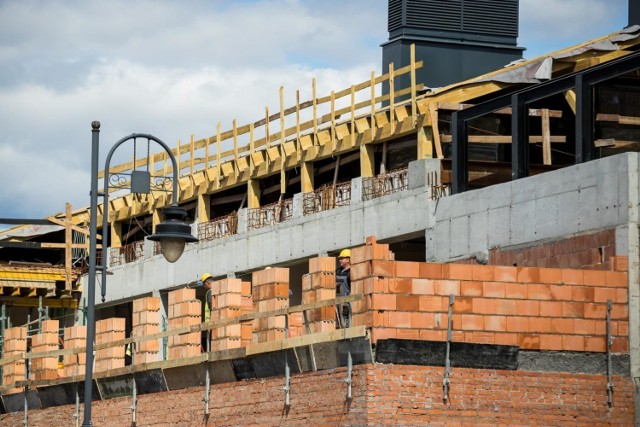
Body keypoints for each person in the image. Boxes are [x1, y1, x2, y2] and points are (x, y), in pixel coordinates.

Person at [336, 249, 351, 328]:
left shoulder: (351, 273)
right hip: (336, 302)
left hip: (346, 303)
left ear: (348, 259)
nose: (340, 260)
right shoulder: (338, 271)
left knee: (346, 324)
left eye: (342, 258)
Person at [201, 272, 215, 352]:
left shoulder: (210, 292)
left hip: (210, 321)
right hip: (212, 321)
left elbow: (211, 306)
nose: (204, 287)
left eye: (204, 285)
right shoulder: (216, 291)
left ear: (208, 283)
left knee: (211, 340)